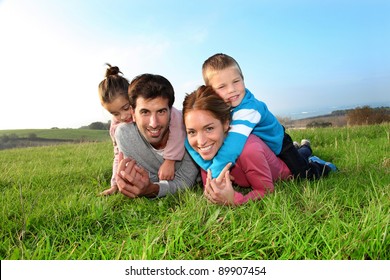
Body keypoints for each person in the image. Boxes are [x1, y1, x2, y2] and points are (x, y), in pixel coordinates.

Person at [185, 53, 336, 181]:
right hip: (262, 147)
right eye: (222, 87)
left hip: (278, 142)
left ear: (243, 79)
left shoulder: (249, 109)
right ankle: (304, 148)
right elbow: (189, 141)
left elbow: (232, 147)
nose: (232, 90)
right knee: (294, 158)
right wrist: (207, 167)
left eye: (236, 82)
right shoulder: (217, 108)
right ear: (210, 91)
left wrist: (215, 174)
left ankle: (320, 164)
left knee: (303, 174)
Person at [183, 85, 292, 205]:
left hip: (286, 170)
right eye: (192, 132)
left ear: (225, 124)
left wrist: (235, 200)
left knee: (306, 157)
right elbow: (210, 192)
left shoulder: (250, 150)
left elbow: (265, 190)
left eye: (209, 128)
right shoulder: (206, 151)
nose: (201, 141)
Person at [97, 65, 187, 196]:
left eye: (126, 107)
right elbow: (118, 156)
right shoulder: (118, 128)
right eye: (115, 113)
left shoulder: (175, 116)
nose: (123, 116)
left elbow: (178, 132)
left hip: (176, 163)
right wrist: (115, 183)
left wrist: (170, 160)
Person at [114, 73, 199, 198]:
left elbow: (185, 181)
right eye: (145, 112)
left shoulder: (189, 130)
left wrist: (151, 189)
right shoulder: (125, 135)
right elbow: (143, 178)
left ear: (171, 111)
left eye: (161, 111)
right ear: (133, 113)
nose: (154, 123)